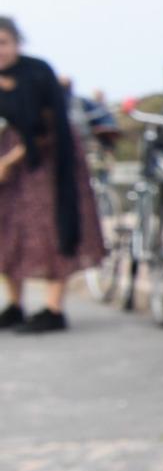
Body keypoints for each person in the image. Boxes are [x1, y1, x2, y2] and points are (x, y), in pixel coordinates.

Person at [0, 17, 106, 333]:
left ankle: (53, 308)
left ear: (18, 43)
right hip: (9, 164)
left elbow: (46, 128)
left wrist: (8, 161)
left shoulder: (36, 73)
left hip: (48, 164)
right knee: (7, 229)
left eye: (3, 42)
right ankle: (14, 304)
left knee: (51, 228)